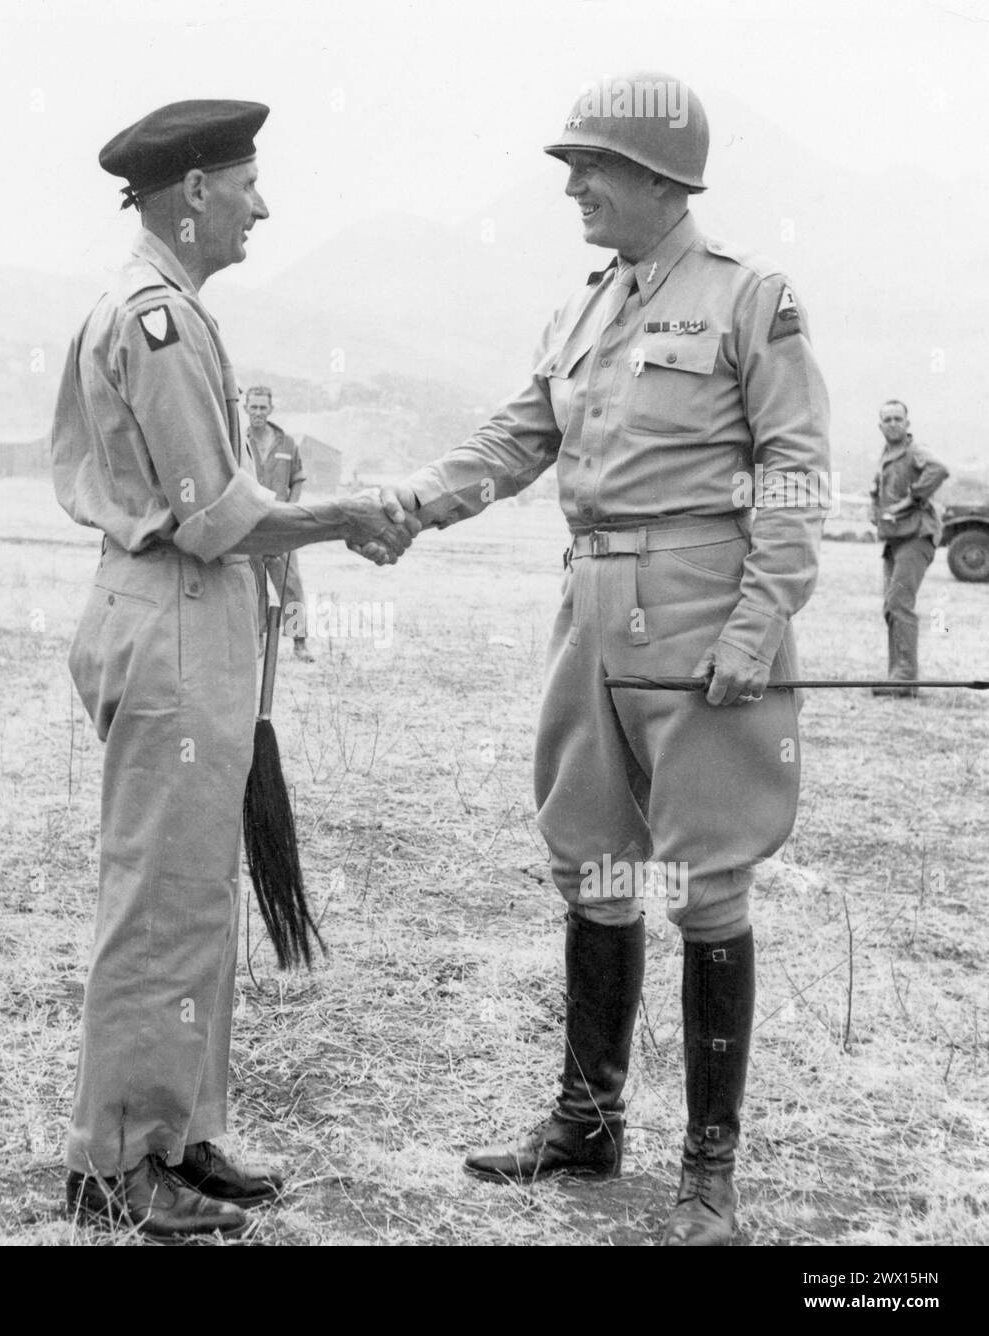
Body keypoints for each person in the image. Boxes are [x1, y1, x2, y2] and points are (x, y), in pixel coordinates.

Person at [369, 72, 830, 1246]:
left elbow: (790, 474)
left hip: (701, 608)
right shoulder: (581, 309)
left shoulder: (749, 301)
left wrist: (756, 623)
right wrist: (413, 502)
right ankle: (589, 1120)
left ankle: (707, 1177)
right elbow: (517, 434)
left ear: (658, 180)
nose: (572, 186)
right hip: (589, 604)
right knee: (593, 860)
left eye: (592, 167)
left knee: (705, 881)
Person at [50, 99, 417, 1241]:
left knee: (195, 895)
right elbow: (212, 513)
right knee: (158, 901)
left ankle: (181, 1131)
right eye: (249, 183)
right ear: (196, 191)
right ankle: (117, 1162)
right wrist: (341, 513)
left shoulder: (177, 313)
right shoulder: (156, 319)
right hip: (170, 617)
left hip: (192, 620)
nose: (264, 203)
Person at [868, 400, 948, 697]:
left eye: (897, 418)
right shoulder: (887, 455)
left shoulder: (915, 451)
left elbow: (939, 469)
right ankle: (898, 676)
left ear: (907, 423)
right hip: (895, 539)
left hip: (916, 536)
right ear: (880, 426)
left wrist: (912, 499)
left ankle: (904, 679)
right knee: (891, 607)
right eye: (887, 419)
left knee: (899, 603)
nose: (892, 423)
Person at [245, 385, 314, 661]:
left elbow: (297, 479)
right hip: (250, 525)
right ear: (245, 408)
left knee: (290, 585)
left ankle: (299, 643)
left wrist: (292, 510)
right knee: (254, 585)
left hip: (281, 526)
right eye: (254, 407)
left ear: (270, 409)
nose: (258, 412)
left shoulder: (287, 443)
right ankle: (258, 641)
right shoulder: (239, 441)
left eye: (263, 407)